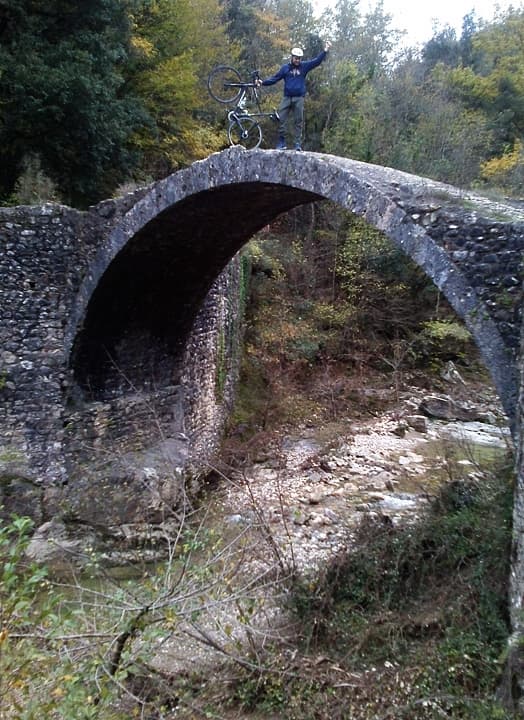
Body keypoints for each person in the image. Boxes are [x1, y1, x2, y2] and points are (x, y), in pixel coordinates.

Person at [256, 41, 331, 151]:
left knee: (298, 121)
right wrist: (263, 82)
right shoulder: (285, 68)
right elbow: (275, 78)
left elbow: (316, 62)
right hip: (287, 97)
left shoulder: (304, 66)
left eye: (299, 58)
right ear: (292, 57)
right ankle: (282, 142)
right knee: (281, 118)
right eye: (296, 58)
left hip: (299, 98)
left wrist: (325, 50)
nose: (297, 60)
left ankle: (297, 144)